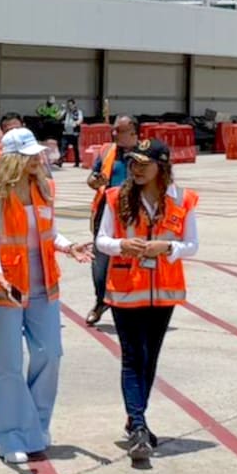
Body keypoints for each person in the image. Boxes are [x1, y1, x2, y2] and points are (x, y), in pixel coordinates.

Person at [0, 127, 93, 463]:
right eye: (28, 155)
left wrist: (69, 247)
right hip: (6, 288)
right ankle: (9, 436)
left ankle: (36, 428)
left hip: (43, 282)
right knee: (9, 364)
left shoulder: (45, 188)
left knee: (50, 354)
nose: (36, 159)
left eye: (36, 154)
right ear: (12, 159)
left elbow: (50, 233)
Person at [95, 138, 199, 461]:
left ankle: (134, 417)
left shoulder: (182, 200)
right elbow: (101, 240)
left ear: (162, 167)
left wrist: (167, 249)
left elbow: (192, 244)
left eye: (144, 164)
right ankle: (139, 425)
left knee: (149, 358)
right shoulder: (115, 197)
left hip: (163, 290)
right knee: (132, 356)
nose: (136, 169)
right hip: (126, 288)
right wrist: (122, 245)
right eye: (133, 163)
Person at [84, 114, 138, 326]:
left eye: (119, 130)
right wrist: (94, 181)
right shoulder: (107, 151)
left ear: (134, 132)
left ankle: (129, 307)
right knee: (99, 264)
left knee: (132, 263)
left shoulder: (145, 152)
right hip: (105, 212)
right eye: (114, 129)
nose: (114, 133)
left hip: (134, 215)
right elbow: (91, 178)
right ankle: (101, 301)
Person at [58, 98, 84, 167]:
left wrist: (76, 123)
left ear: (74, 105)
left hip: (74, 133)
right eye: (68, 105)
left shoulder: (78, 111)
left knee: (75, 148)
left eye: (71, 105)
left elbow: (80, 119)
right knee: (63, 147)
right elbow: (58, 117)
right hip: (66, 132)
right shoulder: (66, 112)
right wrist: (62, 110)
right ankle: (60, 161)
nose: (69, 106)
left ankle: (77, 162)